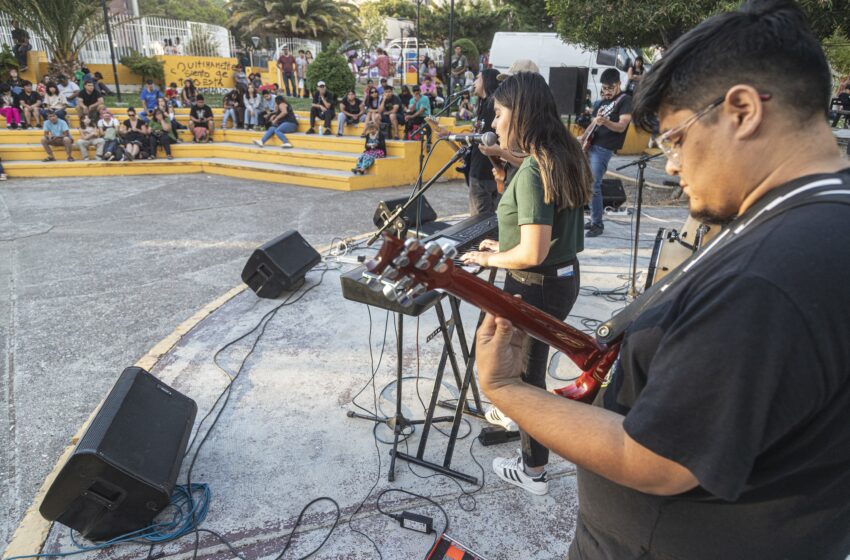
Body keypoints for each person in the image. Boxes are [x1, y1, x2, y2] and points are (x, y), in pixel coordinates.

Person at [475, 2, 850, 558]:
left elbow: (654, 460)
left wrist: (505, 388)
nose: (671, 164)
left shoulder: (766, 276)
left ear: (742, 110)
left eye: (674, 138)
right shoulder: (817, 216)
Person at [461, 71, 591, 498]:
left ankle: (533, 470)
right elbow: (542, 235)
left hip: (536, 282)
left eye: (498, 114)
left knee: (526, 380)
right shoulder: (563, 152)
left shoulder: (536, 170)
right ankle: (520, 429)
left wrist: (487, 257)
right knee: (527, 372)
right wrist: (508, 242)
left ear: (519, 113)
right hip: (561, 278)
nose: (495, 122)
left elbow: (532, 253)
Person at [581, 68, 633, 238]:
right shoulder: (601, 103)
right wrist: (582, 137)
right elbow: (595, 124)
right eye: (604, 88)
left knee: (594, 184)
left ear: (618, 84)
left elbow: (621, 126)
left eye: (610, 88)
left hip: (604, 149)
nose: (606, 91)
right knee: (587, 183)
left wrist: (607, 121)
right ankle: (593, 219)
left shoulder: (625, 100)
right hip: (591, 144)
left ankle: (597, 224)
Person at [464, 68, 511, 215]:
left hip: (487, 172)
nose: (474, 82)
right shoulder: (484, 104)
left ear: (486, 80)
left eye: (477, 78)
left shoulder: (493, 105)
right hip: (484, 169)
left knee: (480, 223)